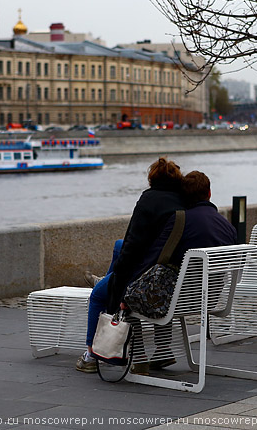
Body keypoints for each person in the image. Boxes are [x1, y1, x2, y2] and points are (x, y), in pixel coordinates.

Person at [76, 157, 185, 373]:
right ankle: (163, 351)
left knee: (99, 295)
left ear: (152, 179)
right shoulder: (183, 200)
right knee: (118, 246)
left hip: (148, 277)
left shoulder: (149, 200)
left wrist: (117, 285)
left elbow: (133, 247)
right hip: (174, 277)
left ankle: (91, 356)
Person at [123, 170, 237, 373]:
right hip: (209, 299)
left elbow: (155, 258)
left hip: (179, 300)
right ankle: (162, 353)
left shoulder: (181, 221)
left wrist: (127, 283)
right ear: (209, 193)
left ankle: (140, 357)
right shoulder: (228, 227)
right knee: (166, 288)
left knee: (130, 295)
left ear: (183, 196)